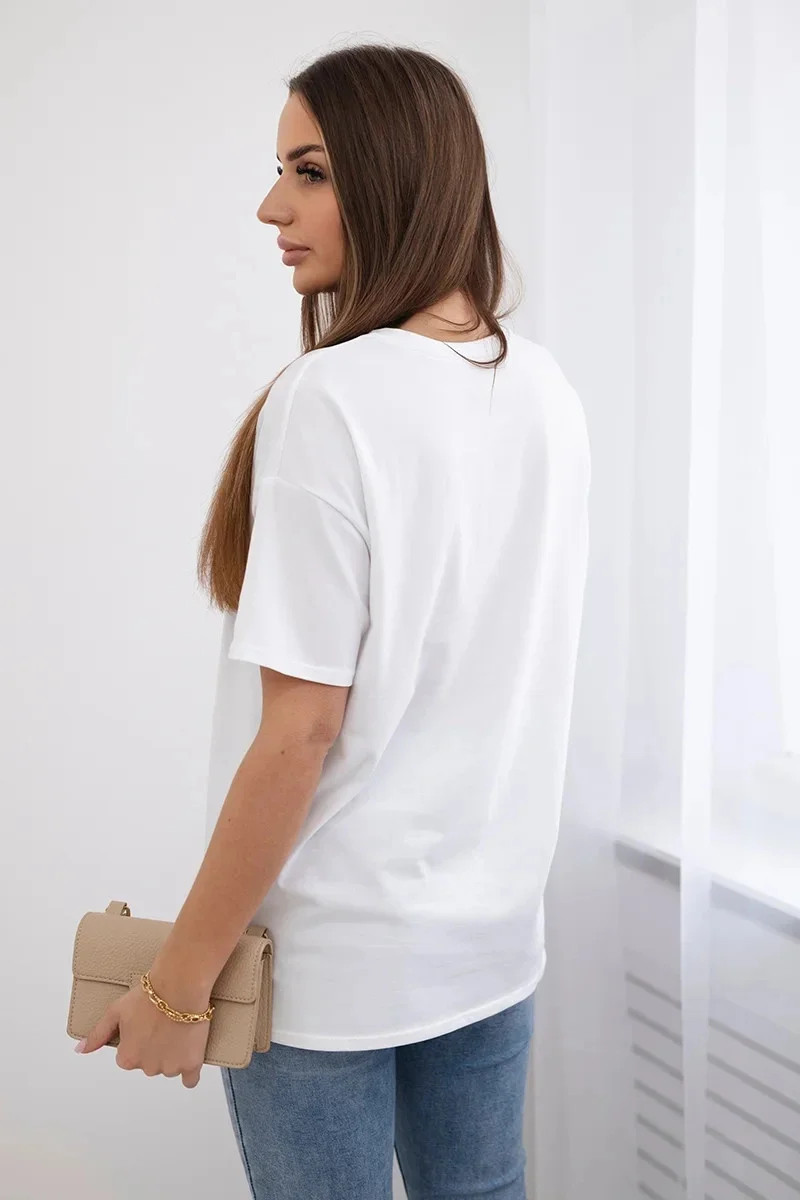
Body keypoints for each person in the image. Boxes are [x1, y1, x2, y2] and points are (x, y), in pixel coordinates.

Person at [78, 41, 591, 1200]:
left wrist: (176, 986)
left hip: (331, 970)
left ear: (395, 172)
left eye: (307, 172)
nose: (272, 207)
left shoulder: (332, 399)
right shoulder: (543, 390)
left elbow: (300, 734)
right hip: (490, 941)